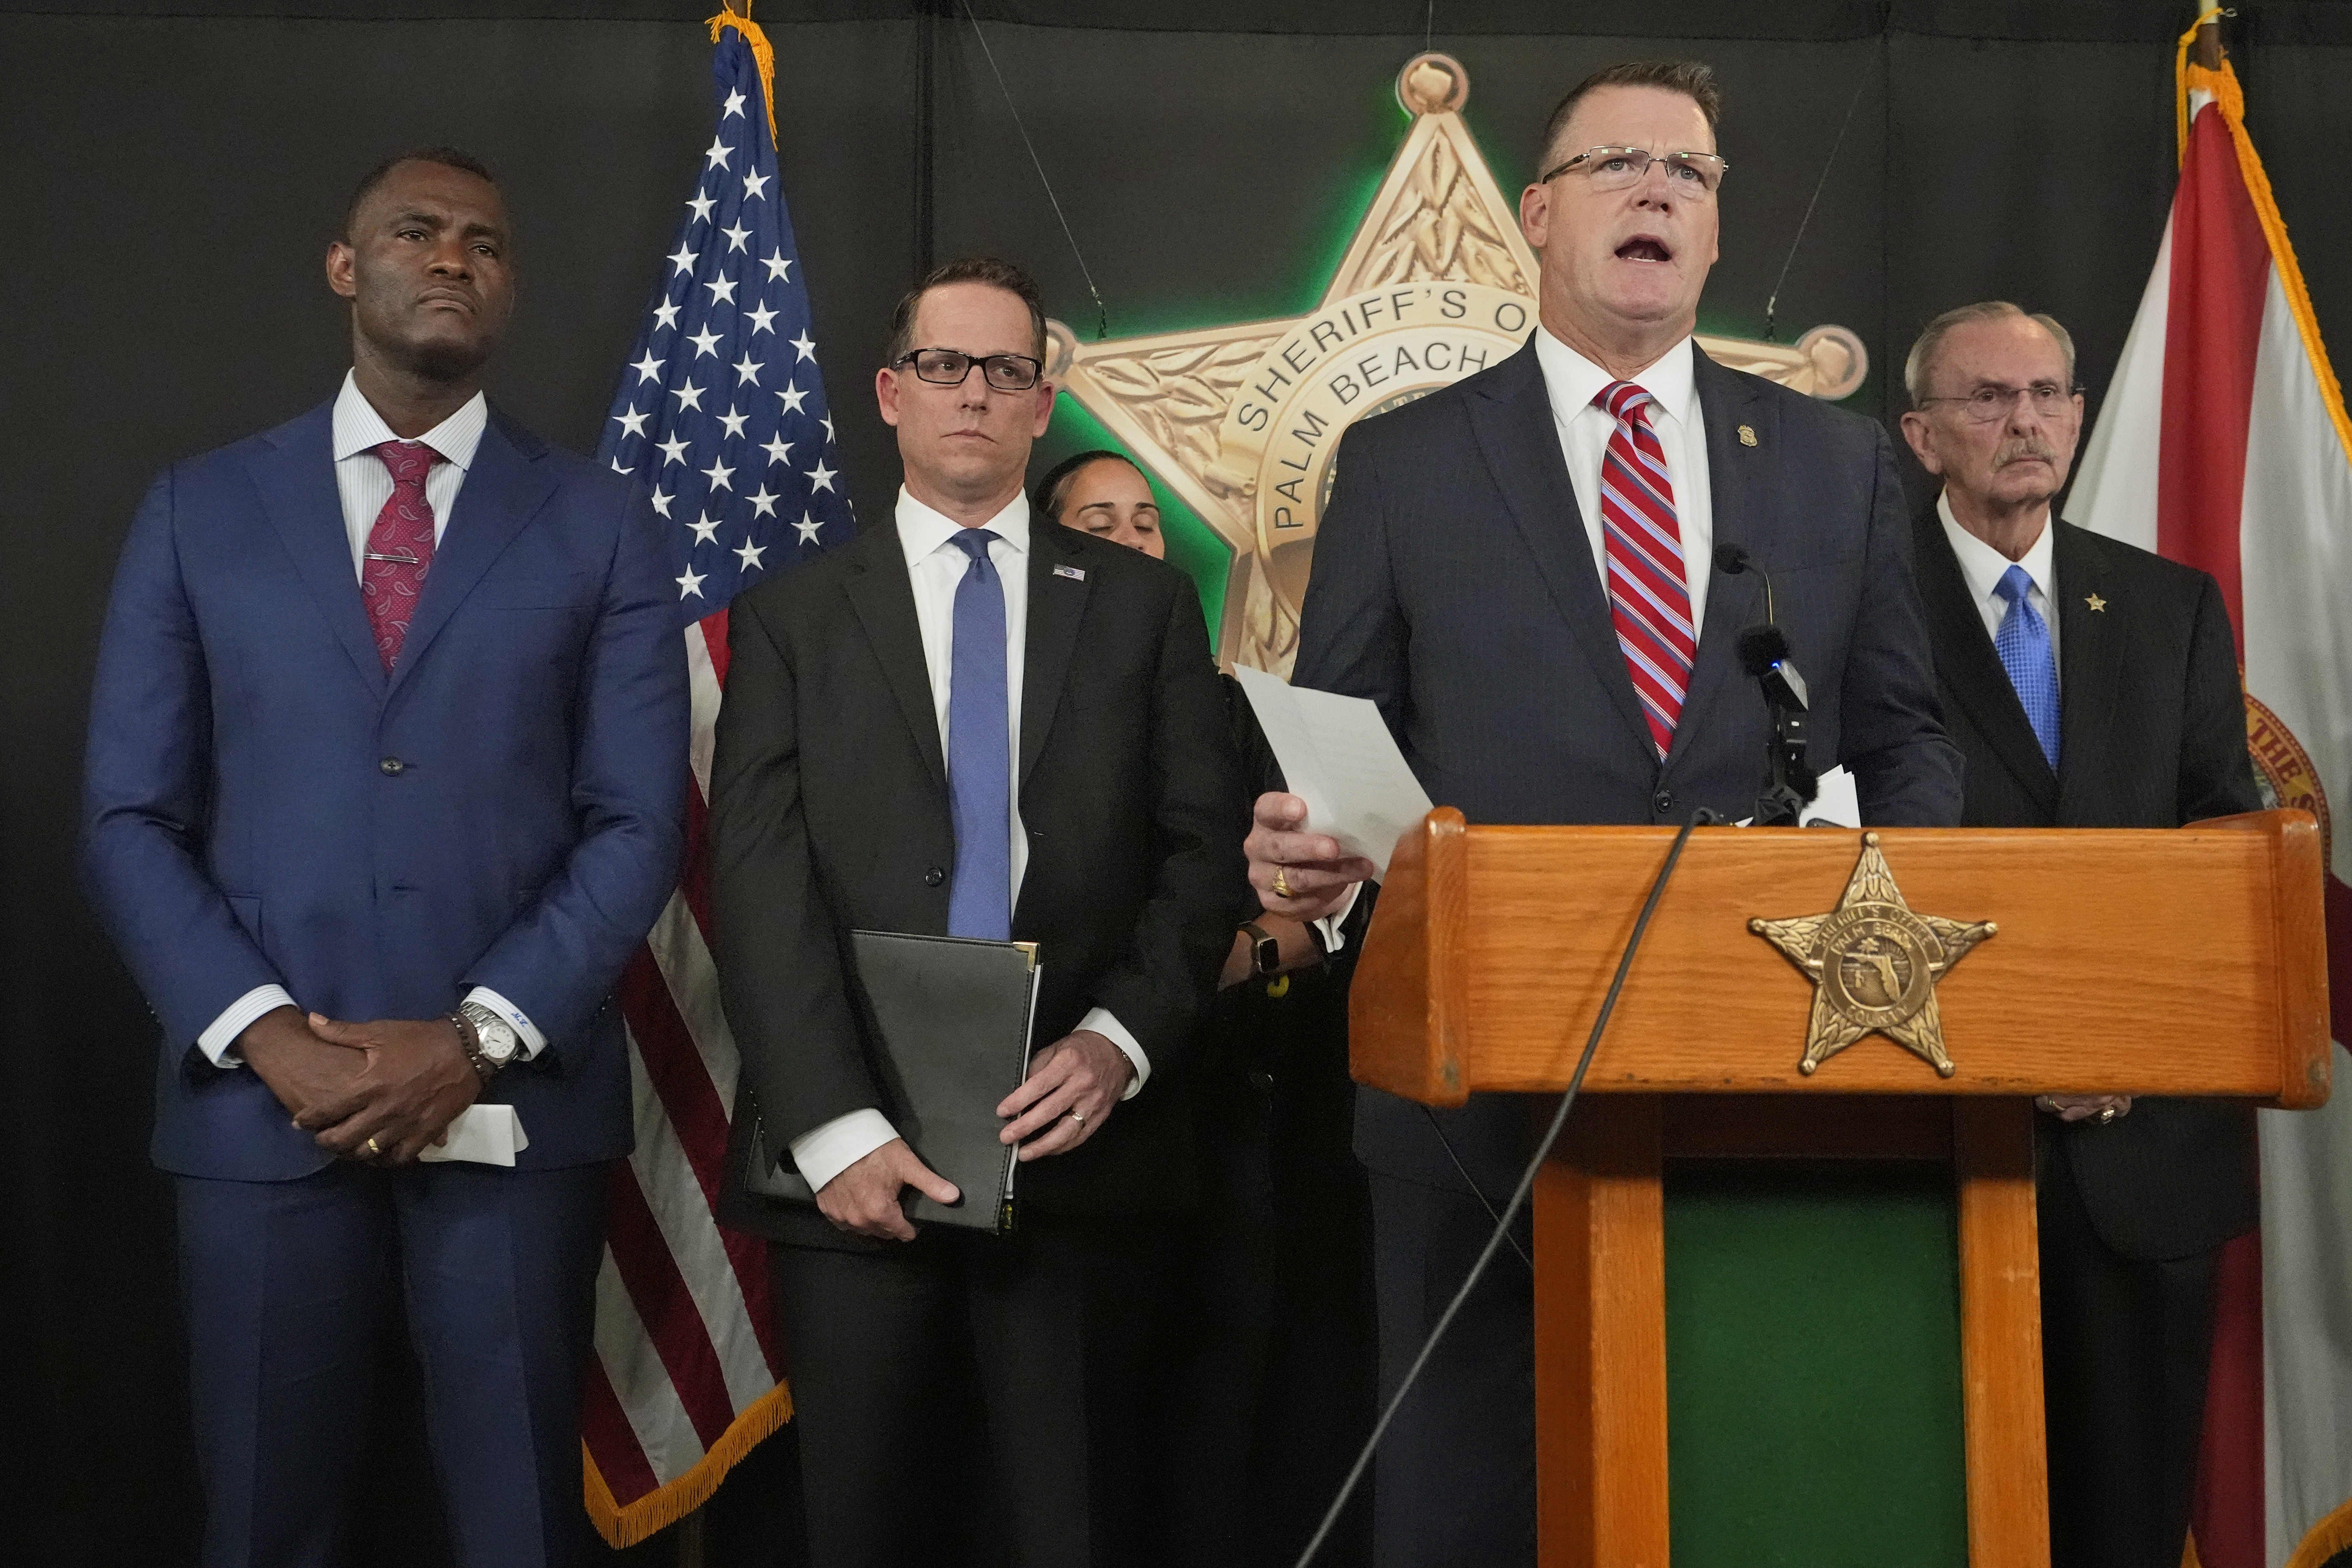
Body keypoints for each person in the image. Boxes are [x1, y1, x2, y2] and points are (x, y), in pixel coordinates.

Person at [1244, 61, 1965, 1566]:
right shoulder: (1405, 460)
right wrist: (1308, 853)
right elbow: (1342, 744)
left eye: (1690, 174)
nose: (1658, 190)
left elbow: (1902, 740)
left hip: (1763, 1067)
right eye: (1620, 163)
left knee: (1734, 1482)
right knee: (1466, 1501)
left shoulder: (1833, 468)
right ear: (1539, 210)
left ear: (1712, 234)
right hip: (1472, 1087)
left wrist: (1888, 926)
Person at [81, 148, 689, 1566]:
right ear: (347, 269)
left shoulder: (600, 524)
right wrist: (268, 1037)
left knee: (518, 1525)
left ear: (510, 287)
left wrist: (475, 1039)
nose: (452, 259)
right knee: (264, 1521)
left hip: (509, 1113)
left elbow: (636, 822)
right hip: (256, 1118)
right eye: (416, 232)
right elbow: (126, 817)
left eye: (485, 241)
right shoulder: (199, 509)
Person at [708, 260, 1247, 1568]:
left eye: (1007, 371)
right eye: (945, 367)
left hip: (1076, 1146)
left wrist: (1116, 1045)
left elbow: (1202, 858)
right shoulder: (788, 616)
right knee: (868, 1529)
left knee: (1071, 1526)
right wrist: (835, 1130)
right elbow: (759, 879)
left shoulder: (1140, 605)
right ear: (892, 394)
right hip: (852, 1154)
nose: (975, 394)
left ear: (1041, 400)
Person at [1897, 301, 2259, 1568]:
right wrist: (2008, 1048)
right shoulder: (1860, 611)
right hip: (1934, 1151)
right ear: (1921, 433)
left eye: (2049, 394)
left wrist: (2120, 1046)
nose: (2026, 421)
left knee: (2121, 1522)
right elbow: (1838, 870)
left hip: (2141, 1144)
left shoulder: (2169, 610)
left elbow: (2226, 862)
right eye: (1989, 397)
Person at [1034, 449, 1376, 1568]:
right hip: (1041, 1131)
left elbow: (1315, 916)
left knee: (1217, 1434)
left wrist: (1187, 976)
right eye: (1099, 520)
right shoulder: (1005, 716)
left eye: (1146, 519)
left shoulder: (1248, 717)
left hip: (1224, 1117)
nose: (1132, 537)